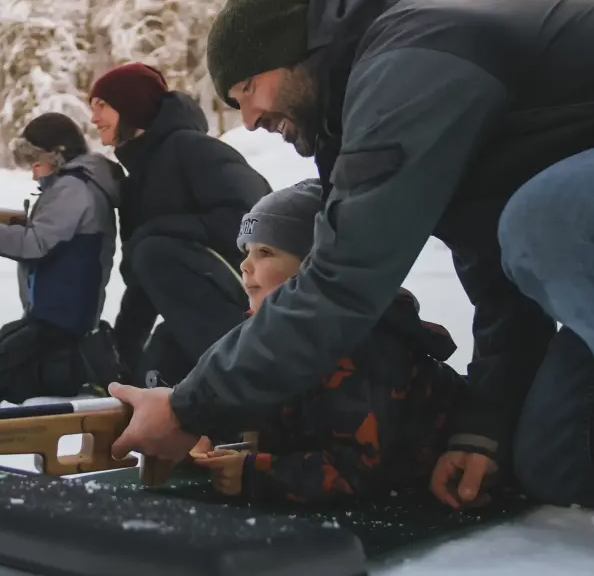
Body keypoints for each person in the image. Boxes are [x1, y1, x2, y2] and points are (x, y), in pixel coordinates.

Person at [105, 0, 594, 558]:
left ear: (296, 53)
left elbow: (345, 283)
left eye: (247, 87)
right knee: (556, 458)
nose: (250, 117)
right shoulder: (385, 106)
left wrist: (190, 406)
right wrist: (481, 432)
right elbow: (501, 287)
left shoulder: (413, 59)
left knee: (554, 221)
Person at [191, 179, 466, 503]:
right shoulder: (271, 339)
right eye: (246, 252)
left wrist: (253, 473)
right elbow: (275, 418)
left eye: (265, 252)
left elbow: (359, 471)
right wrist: (206, 433)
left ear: (315, 272)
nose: (245, 265)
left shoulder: (361, 348)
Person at [87, 62, 272, 389]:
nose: (93, 118)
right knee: (153, 373)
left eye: (102, 105)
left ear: (131, 105)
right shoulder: (135, 183)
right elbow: (144, 282)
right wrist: (123, 360)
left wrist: (159, 232)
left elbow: (254, 217)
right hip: (199, 314)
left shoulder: (192, 148)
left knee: (153, 249)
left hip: (254, 298)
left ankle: (245, 379)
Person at [0, 112, 125, 403]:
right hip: (53, 316)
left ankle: (85, 366)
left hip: (60, 320)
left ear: (57, 156)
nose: (34, 175)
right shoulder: (76, 185)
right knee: (8, 351)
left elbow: (36, 242)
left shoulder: (73, 188)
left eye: (36, 164)